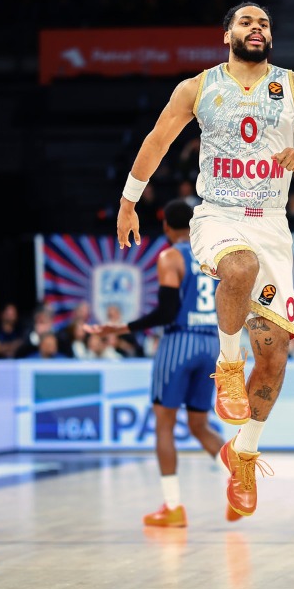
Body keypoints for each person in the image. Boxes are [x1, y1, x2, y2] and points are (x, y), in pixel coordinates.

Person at [112, 1, 294, 519]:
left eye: (264, 23)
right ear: (227, 35)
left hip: (273, 223)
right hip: (218, 214)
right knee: (238, 267)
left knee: (276, 356)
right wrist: (129, 202)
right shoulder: (196, 88)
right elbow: (157, 140)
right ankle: (228, 365)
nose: (256, 28)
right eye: (246, 22)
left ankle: (243, 451)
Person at [85, 198, 230, 527]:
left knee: (164, 425)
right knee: (199, 425)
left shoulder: (170, 256)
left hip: (180, 341)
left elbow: (166, 312)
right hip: (212, 342)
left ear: (166, 226)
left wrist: (120, 327)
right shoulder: (213, 257)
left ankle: (173, 507)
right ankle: (238, 485)